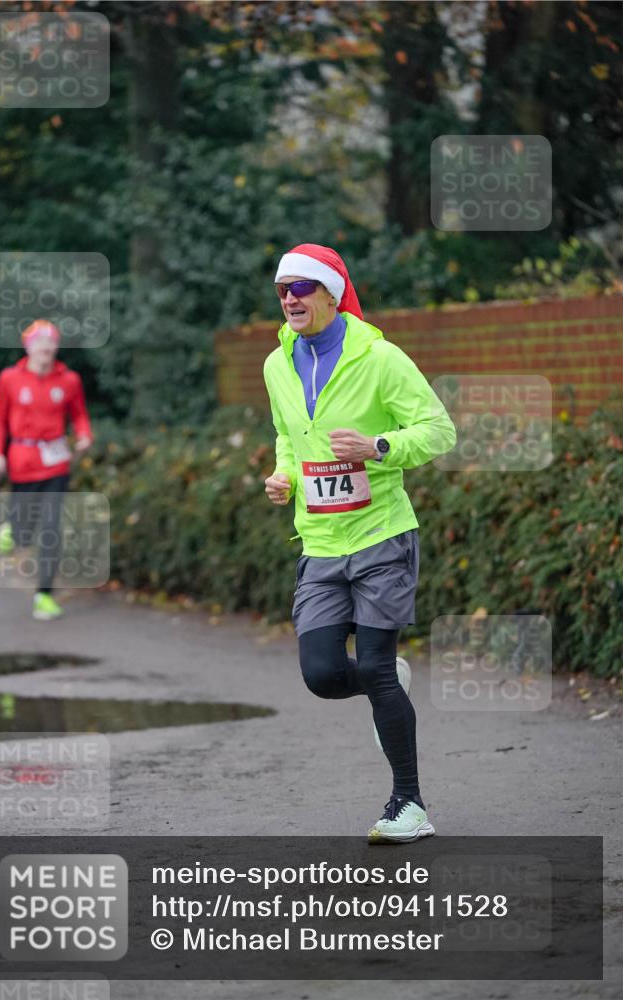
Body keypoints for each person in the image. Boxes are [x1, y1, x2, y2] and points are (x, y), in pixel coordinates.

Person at [263, 243, 456, 843]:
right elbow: (288, 438)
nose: (291, 298)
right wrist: (284, 477)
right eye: (282, 289)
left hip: (381, 537)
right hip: (320, 542)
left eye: (302, 287)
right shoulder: (278, 364)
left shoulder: (381, 358)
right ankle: (385, 680)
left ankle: (409, 805)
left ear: (331, 292)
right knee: (321, 673)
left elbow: (439, 430)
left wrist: (378, 448)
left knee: (372, 666)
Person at [0, 319, 93, 620]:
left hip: (56, 462)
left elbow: (80, 416)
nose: (46, 347)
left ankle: (44, 596)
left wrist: (85, 436)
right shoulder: (9, 378)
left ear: (56, 347)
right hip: (22, 460)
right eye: (39, 342)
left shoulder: (69, 381)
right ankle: (12, 531)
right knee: (23, 534)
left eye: (51, 342)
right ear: (28, 347)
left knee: (50, 528)